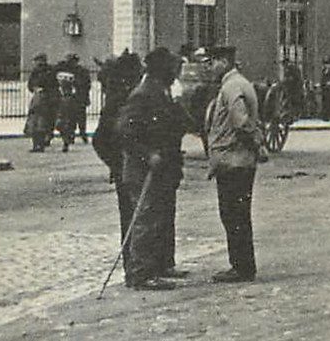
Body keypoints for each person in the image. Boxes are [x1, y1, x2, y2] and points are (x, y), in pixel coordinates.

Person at [117, 46, 190, 289]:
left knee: (157, 220)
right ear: (161, 70)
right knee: (145, 220)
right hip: (142, 172)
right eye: (171, 68)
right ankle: (140, 274)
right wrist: (147, 154)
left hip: (162, 170)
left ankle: (156, 267)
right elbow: (125, 132)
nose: (175, 72)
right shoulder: (143, 94)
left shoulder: (162, 92)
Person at [202, 46, 261, 282]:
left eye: (212, 62)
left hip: (234, 161)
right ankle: (243, 265)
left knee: (233, 214)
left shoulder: (232, 87)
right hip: (238, 160)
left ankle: (241, 267)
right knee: (238, 214)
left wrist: (255, 142)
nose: (209, 67)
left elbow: (241, 122)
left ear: (224, 62)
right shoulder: (238, 83)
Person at [92, 50, 143, 245]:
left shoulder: (131, 98)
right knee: (131, 218)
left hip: (134, 168)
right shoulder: (119, 101)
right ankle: (133, 266)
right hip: (128, 169)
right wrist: (117, 164)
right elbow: (100, 140)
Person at [23, 53, 57, 152]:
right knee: (35, 123)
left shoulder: (49, 71)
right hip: (38, 100)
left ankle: (40, 145)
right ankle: (36, 145)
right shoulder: (36, 72)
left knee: (41, 123)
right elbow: (30, 85)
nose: (37, 63)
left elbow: (53, 85)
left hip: (46, 99)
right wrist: (34, 89)